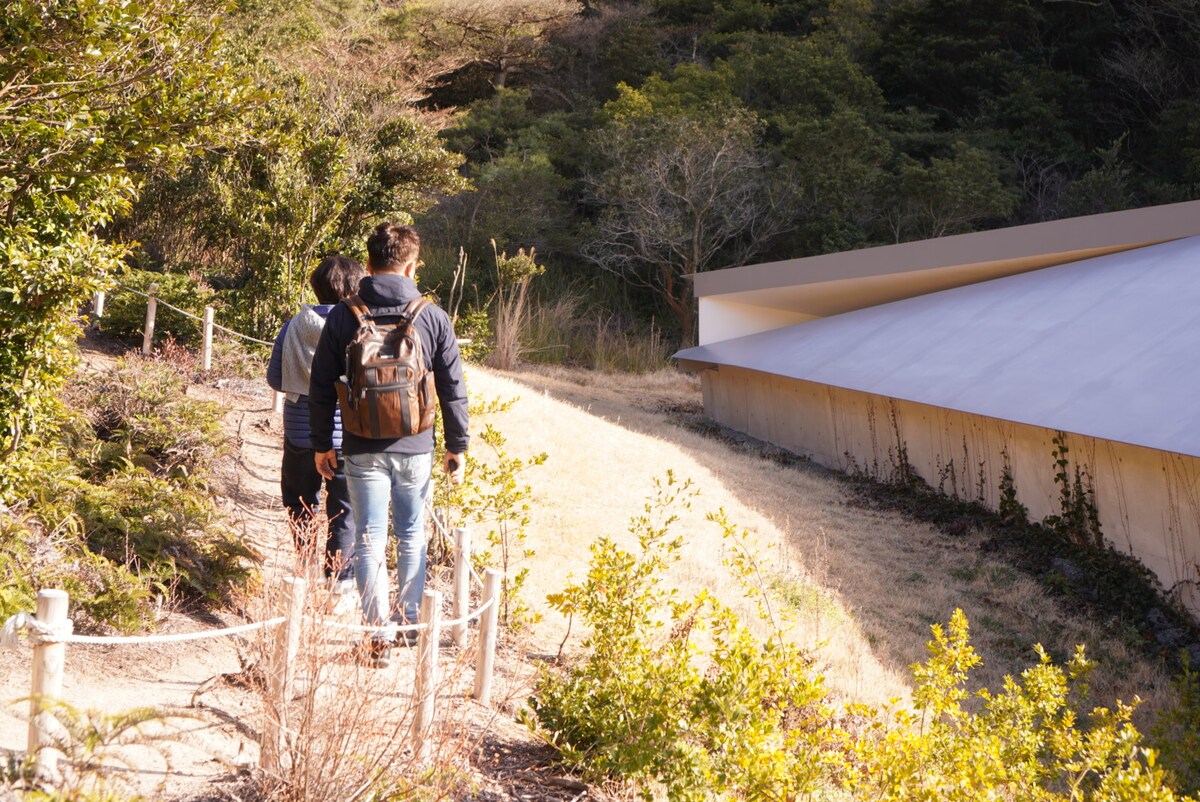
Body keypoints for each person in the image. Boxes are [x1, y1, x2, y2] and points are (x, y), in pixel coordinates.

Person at [309, 223, 468, 668]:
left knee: (370, 537)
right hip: (416, 444)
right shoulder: (431, 315)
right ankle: (411, 623)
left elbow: (322, 384)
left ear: (370, 261)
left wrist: (322, 443)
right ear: (411, 265)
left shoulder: (345, 313)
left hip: (360, 445)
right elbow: (453, 385)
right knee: (412, 534)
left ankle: (377, 634)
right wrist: (458, 444)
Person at [267, 255, 365, 610]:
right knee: (343, 509)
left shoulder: (293, 325)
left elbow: (275, 379)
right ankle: (338, 586)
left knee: (300, 500)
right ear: (356, 288)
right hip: (348, 435)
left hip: (300, 431)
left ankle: (304, 569)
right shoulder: (359, 326)